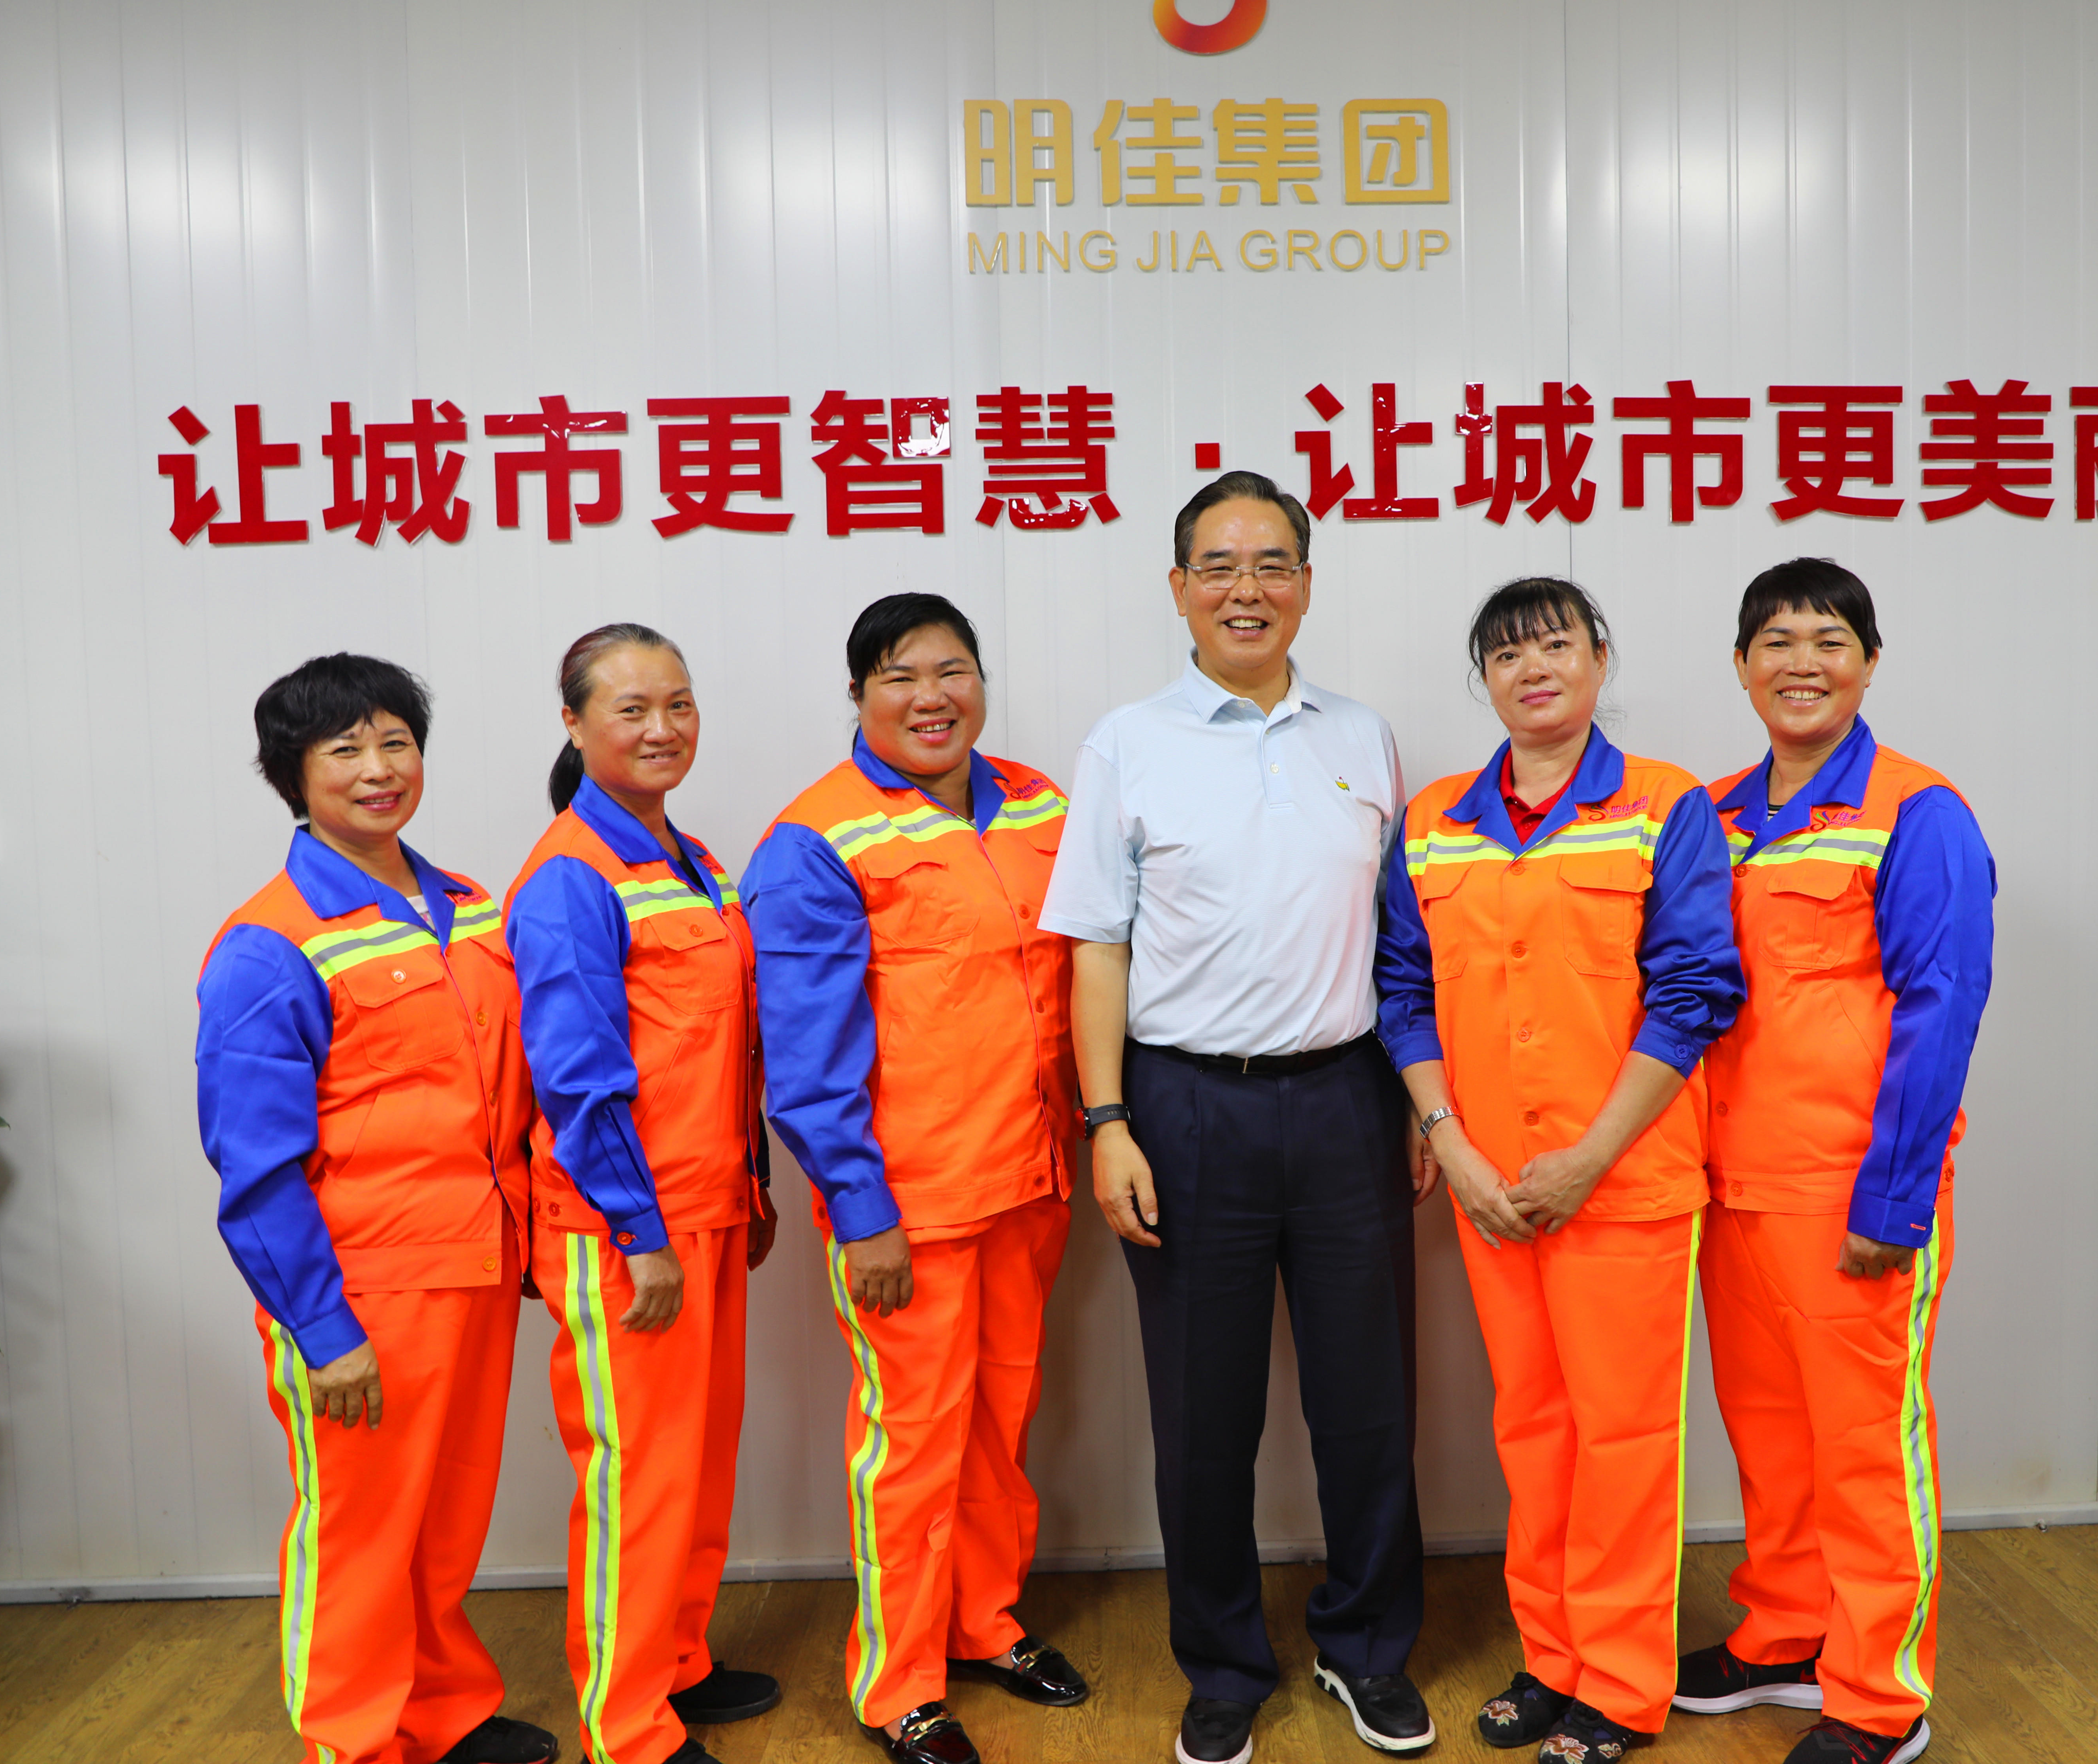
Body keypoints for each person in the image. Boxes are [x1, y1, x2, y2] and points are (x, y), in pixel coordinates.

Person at [1043, 469, 1440, 1764]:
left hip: (1346, 1101)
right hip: (1185, 1109)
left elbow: (1397, 940)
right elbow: (1096, 947)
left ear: (1308, 586)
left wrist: (1419, 1105)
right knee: (1203, 1416)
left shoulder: (1363, 737)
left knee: (1368, 1403)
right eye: (1218, 566)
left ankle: (1366, 1647)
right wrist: (1109, 1119)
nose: (1246, 589)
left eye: (1272, 564)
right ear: (1179, 589)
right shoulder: (1128, 743)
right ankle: (1221, 1664)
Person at [1375, 579, 1745, 1762]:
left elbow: (1696, 989)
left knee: (1623, 1438)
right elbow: (1402, 991)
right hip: (1491, 1190)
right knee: (1533, 1430)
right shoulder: (1435, 820)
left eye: (1555, 645)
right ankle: (1553, 1659)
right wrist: (1451, 1145)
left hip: (1621, 1185)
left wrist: (1589, 1156)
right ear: (1483, 679)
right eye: (1506, 654)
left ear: (1599, 659)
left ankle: (1624, 1686)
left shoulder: (1665, 806)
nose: (1532, 668)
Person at [195, 653, 554, 1764]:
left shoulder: (467, 907)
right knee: (361, 1533)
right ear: (293, 777)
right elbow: (256, 1169)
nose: (378, 768)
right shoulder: (268, 945)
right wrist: (322, 1328)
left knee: (445, 1519)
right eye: (344, 749)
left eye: (395, 741)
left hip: (475, 1267)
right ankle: (355, 1742)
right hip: (364, 1294)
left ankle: (441, 1712)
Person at [754, 593, 1089, 1764]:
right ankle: (898, 1684)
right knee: (910, 1445)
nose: (931, 698)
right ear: (858, 697)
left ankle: (985, 1620)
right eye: (900, 677)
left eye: (953, 671)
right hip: (911, 1206)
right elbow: (806, 1060)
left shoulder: (1039, 802)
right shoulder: (816, 840)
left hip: (1031, 1178)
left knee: (1000, 1422)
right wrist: (863, 1213)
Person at [1675, 560, 1994, 1764]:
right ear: (1741, 665)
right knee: (1770, 1434)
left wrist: (1895, 1200)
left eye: (1828, 640)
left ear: (1868, 662)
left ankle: (1876, 1698)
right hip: (1731, 1191)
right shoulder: (1712, 816)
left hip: (1850, 1194)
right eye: (1776, 641)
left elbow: (1942, 1008)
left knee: (1864, 1449)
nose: (1801, 663)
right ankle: (1785, 1634)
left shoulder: (1919, 813)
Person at [504, 623, 780, 1764]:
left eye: (679, 704)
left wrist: (750, 1183)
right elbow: (578, 1079)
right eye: (631, 709)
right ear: (574, 725)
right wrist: (639, 1231)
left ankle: (676, 1661)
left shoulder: (688, 856)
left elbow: (718, 1044)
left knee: (697, 1461)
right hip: (630, 1229)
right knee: (638, 1476)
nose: (663, 728)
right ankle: (628, 1728)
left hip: (708, 1206)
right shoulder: (570, 876)